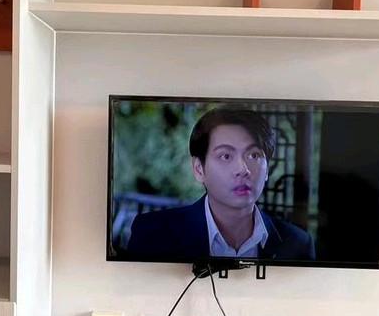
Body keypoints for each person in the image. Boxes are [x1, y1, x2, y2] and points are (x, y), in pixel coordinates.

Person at [124, 106, 316, 262]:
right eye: (226, 156)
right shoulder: (153, 234)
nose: (243, 169)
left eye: (254, 155)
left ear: (267, 170)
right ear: (199, 169)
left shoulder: (297, 244)